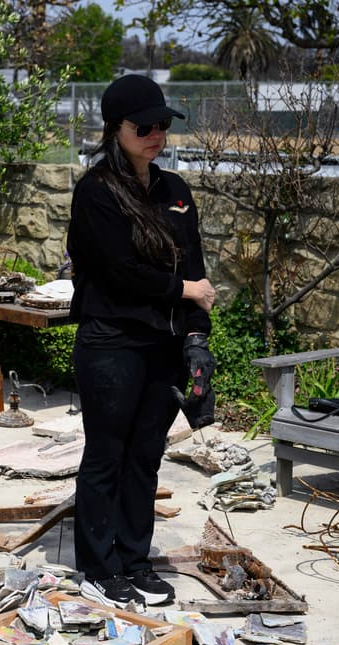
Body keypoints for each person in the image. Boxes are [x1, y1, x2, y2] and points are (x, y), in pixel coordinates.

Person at [66, 74, 216, 608]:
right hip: (111, 342)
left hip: (164, 346)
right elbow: (118, 272)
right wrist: (183, 290)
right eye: (144, 127)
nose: (156, 136)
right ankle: (97, 567)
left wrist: (197, 338)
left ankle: (133, 560)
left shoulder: (175, 190)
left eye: (162, 126)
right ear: (116, 129)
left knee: (145, 457)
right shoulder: (96, 191)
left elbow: (197, 270)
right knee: (107, 455)